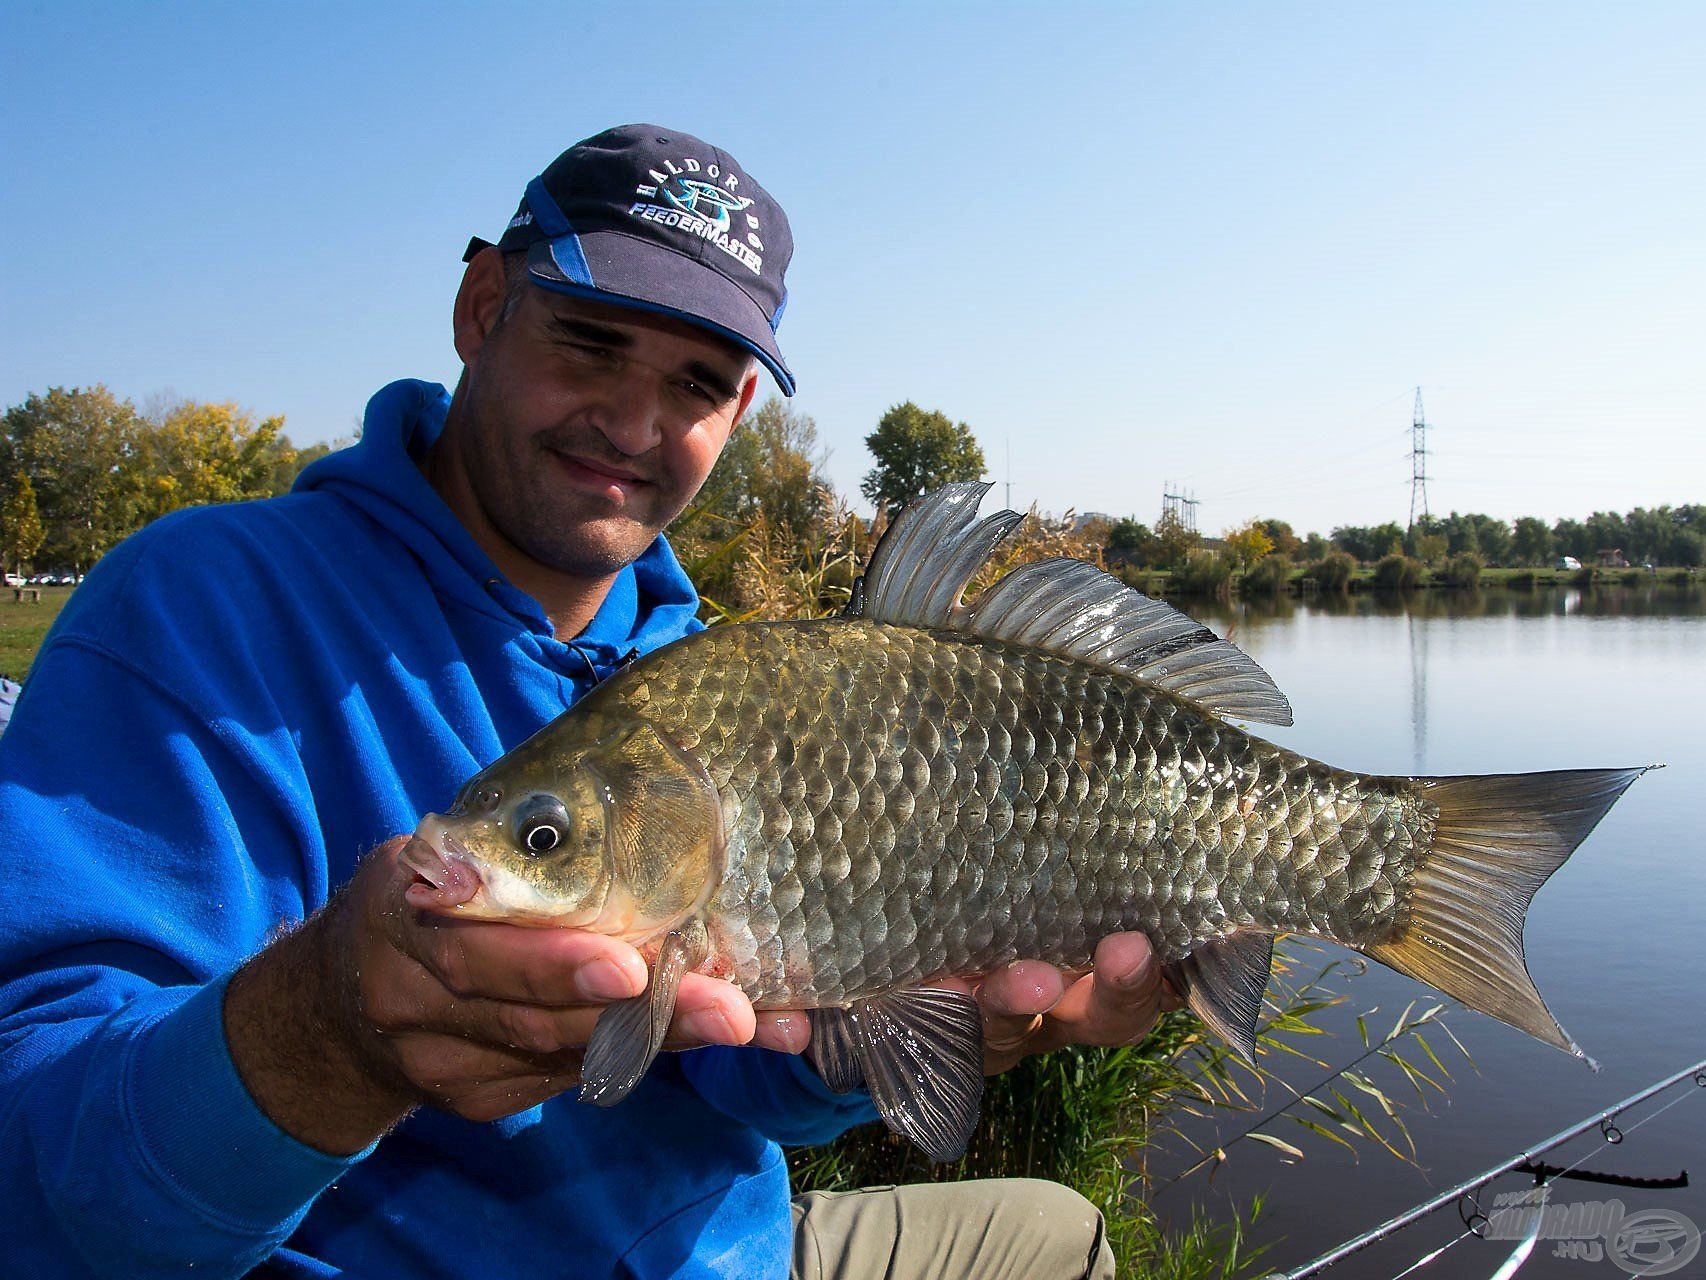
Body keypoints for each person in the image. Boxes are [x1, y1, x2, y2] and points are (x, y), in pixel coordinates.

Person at [0, 124, 1170, 1279]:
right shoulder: (203, 603)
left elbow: (724, 1075)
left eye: (695, 385)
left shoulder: (707, 672)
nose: (631, 422)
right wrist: (329, 1033)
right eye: (591, 344)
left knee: (1059, 1230)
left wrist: (874, 1020)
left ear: (739, 411)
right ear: (481, 306)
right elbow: (35, 1185)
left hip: (728, 1249)